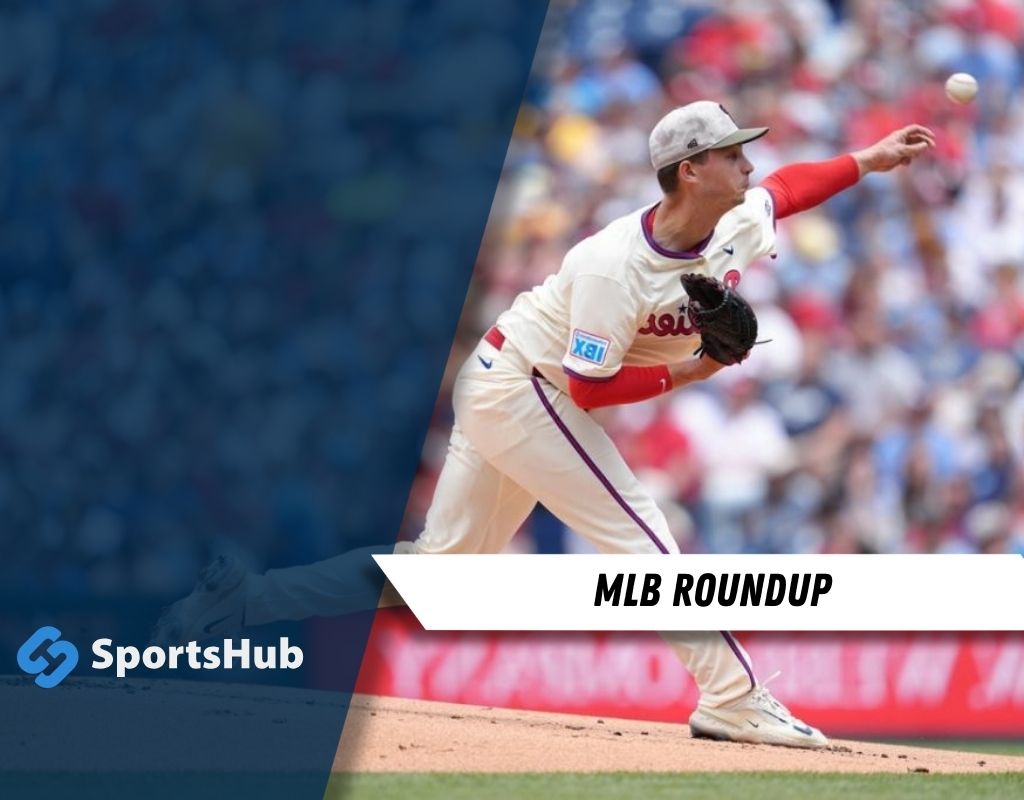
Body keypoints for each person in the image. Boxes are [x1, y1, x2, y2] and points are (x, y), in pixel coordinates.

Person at [154, 101, 934, 749]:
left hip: (511, 382)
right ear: (690, 170)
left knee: (440, 568)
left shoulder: (735, 218)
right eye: (733, 155)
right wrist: (690, 374)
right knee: (642, 535)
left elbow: (790, 188)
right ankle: (734, 697)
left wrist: (869, 158)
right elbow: (587, 390)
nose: (750, 165)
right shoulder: (611, 265)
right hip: (526, 386)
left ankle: (242, 602)